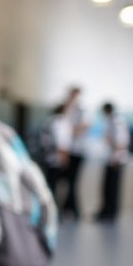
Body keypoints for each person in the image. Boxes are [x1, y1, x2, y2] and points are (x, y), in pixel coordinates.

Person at [95, 102, 130, 222]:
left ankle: (111, 212)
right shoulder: (110, 121)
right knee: (107, 187)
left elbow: (120, 143)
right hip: (111, 159)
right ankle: (106, 210)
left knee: (113, 188)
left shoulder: (117, 121)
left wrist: (116, 158)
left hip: (116, 160)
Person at [60, 86, 89, 220]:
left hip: (77, 151)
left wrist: (69, 132)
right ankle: (68, 207)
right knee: (67, 180)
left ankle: (74, 209)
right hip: (68, 150)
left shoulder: (82, 109)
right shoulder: (69, 109)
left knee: (72, 181)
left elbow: (83, 126)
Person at [42, 103, 72, 199]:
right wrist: (64, 157)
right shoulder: (60, 122)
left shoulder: (50, 120)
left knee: (50, 181)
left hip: (48, 156)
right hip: (56, 157)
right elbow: (60, 142)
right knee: (53, 183)